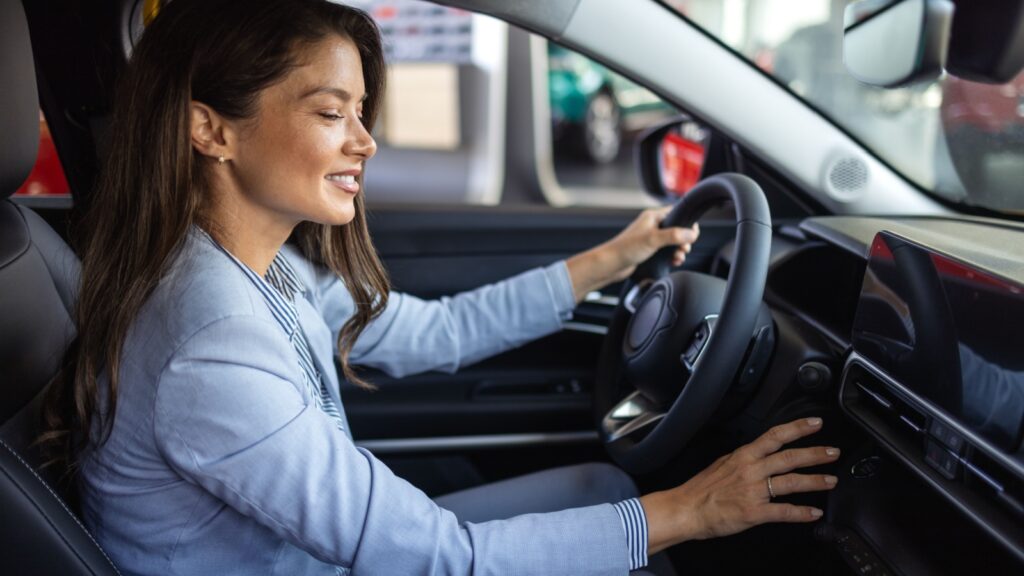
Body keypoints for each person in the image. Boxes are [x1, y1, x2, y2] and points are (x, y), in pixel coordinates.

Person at [40, 1, 840, 574]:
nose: (366, 140)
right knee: (646, 526)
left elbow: (438, 332)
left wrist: (613, 258)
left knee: (606, 488)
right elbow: (437, 559)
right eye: (330, 113)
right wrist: (696, 510)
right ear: (210, 129)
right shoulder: (209, 343)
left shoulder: (250, 266)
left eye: (361, 112)